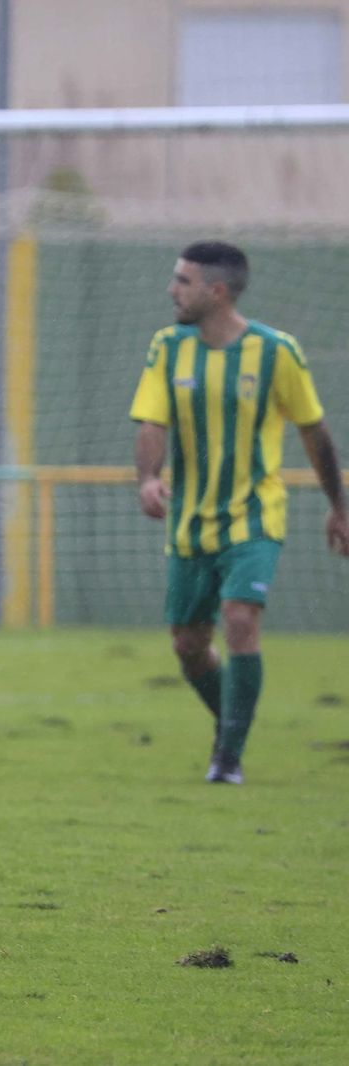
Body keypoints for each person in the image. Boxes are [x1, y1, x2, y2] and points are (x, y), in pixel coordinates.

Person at [130, 240, 348, 785]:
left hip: (255, 517)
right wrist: (148, 479)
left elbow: (313, 431)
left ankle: (227, 759)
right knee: (188, 645)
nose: (171, 289)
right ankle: (231, 728)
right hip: (189, 522)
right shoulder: (167, 347)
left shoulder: (277, 352)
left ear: (217, 290)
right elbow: (152, 423)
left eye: (183, 280)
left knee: (240, 619)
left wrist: (339, 506)